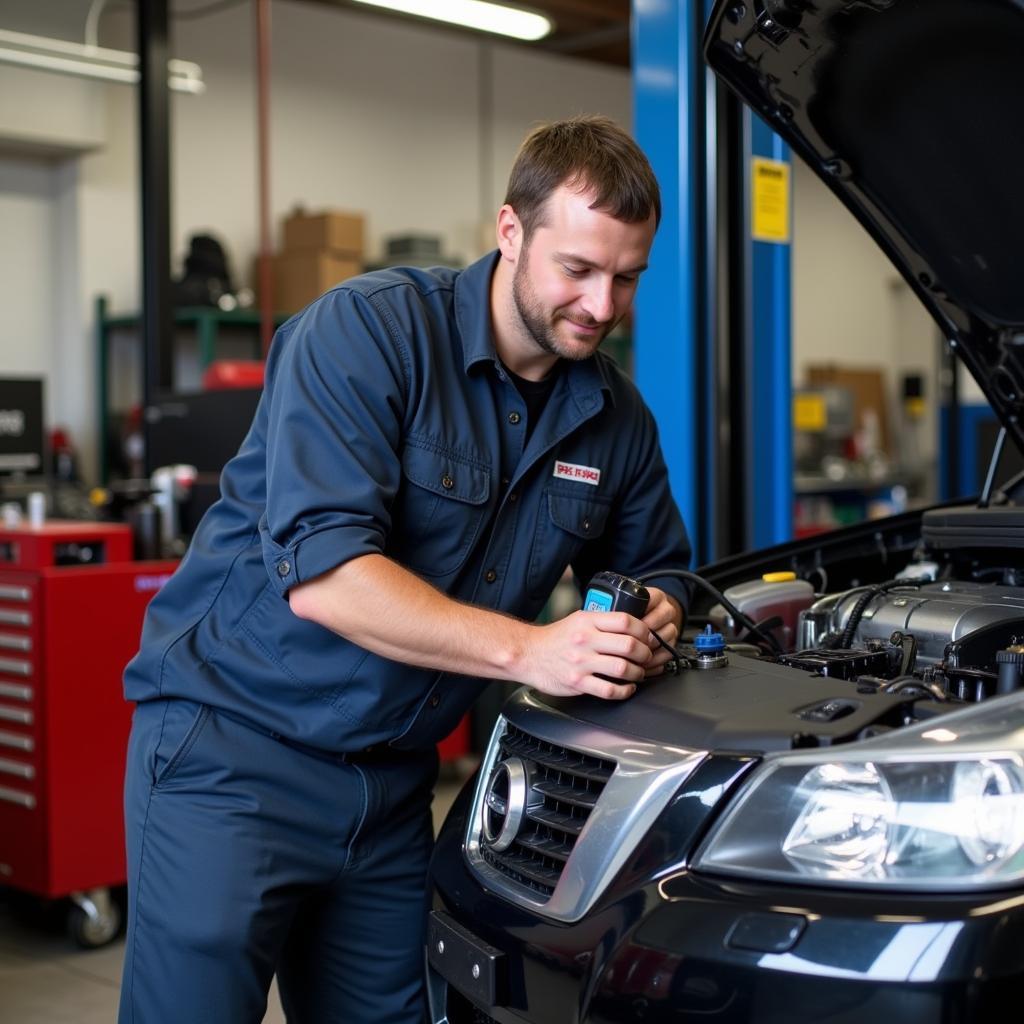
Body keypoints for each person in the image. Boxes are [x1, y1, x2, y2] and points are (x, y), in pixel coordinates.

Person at [119, 114, 691, 1024]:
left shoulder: (614, 417)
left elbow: (661, 574)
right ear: (510, 233)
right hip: (232, 757)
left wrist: (648, 621)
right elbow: (328, 576)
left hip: (390, 789)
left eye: (627, 278)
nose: (603, 306)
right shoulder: (366, 335)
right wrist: (536, 652)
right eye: (577, 270)